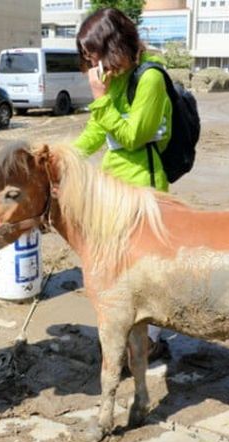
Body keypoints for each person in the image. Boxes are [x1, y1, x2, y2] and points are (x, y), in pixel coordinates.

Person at [73, 8, 171, 361]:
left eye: (93, 54)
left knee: (146, 274)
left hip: (144, 190)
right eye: (87, 57)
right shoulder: (113, 80)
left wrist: (100, 98)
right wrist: (60, 158)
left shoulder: (151, 79)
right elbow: (97, 132)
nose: (91, 64)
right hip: (111, 190)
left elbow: (133, 136)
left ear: (113, 46)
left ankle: (152, 341)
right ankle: (122, 333)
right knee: (113, 270)